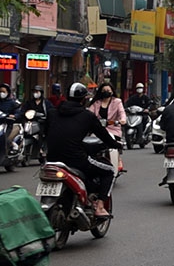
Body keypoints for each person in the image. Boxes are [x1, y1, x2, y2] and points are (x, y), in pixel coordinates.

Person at [44, 82, 122, 217]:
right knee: (109, 170)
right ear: (84, 99)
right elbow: (103, 135)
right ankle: (100, 206)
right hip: (75, 160)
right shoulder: (87, 116)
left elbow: (48, 133)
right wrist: (116, 144)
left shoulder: (52, 113)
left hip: (52, 159)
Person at [89, 82, 128, 173]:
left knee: (113, 144)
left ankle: (116, 161)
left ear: (112, 91)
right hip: (98, 130)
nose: (106, 92)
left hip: (113, 129)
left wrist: (122, 120)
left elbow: (122, 113)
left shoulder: (117, 102)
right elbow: (89, 114)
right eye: (104, 91)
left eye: (108, 90)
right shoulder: (96, 103)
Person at [19, 85, 51, 164]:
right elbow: (23, 110)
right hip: (30, 122)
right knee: (23, 132)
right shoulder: (29, 102)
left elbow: (51, 110)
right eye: (34, 92)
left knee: (42, 133)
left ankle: (42, 150)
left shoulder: (45, 102)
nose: (35, 94)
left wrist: (46, 116)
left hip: (42, 122)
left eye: (37, 92)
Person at [0, 83, 20, 151]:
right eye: (0, 91)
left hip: (8, 125)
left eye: (3, 92)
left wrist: (14, 116)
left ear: (7, 92)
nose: (1, 93)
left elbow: (18, 112)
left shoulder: (12, 103)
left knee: (6, 139)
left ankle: (11, 144)